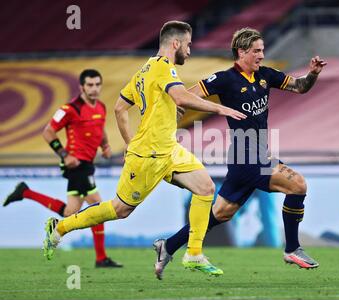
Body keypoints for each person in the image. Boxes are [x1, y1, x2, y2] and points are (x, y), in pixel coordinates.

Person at [41, 21, 246, 278]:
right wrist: (220, 108)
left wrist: (129, 142)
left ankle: (193, 253)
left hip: (168, 150)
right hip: (148, 156)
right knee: (120, 210)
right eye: (189, 45)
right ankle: (59, 228)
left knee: (206, 188)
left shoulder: (144, 70)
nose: (190, 51)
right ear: (176, 44)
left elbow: (119, 108)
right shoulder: (163, 68)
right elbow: (181, 97)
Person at [153, 27, 327, 279]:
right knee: (298, 185)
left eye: (263, 50)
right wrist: (179, 114)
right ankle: (292, 248)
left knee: (220, 213)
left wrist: (312, 74)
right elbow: (185, 97)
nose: (261, 55)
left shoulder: (266, 75)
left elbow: (300, 87)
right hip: (248, 156)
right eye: (256, 50)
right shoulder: (224, 79)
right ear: (241, 51)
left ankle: (168, 246)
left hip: (246, 159)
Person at [3, 69, 122, 268]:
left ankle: (26, 192)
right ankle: (101, 258)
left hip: (87, 164)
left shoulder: (100, 107)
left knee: (70, 212)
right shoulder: (69, 109)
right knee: (98, 207)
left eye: (97, 85)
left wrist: (106, 146)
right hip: (77, 166)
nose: (94, 89)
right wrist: (64, 155)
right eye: (90, 85)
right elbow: (48, 132)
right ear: (82, 87)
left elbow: (99, 129)